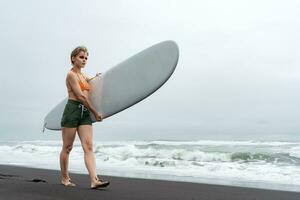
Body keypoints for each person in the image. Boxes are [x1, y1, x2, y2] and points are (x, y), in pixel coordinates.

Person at [60, 46, 110, 189]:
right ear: (73, 58)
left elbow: (93, 80)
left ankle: (94, 180)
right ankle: (65, 178)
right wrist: (95, 112)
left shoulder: (83, 75)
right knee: (67, 147)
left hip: (84, 113)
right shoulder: (71, 75)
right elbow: (81, 96)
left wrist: (97, 77)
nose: (84, 60)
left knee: (88, 146)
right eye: (81, 57)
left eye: (86, 58)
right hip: (72, 111)